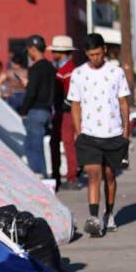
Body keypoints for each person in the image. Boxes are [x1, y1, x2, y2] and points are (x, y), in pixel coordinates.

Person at [68, 33, 131, 237]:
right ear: (86, 53)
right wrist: (79, 132)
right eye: (90, 55)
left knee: (110, 175)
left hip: (113, 133)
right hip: (89, 134)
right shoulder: (78, 74)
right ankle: (94, 218)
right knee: (94, 174)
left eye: (97, 53)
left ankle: (109, 213)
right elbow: (75, 106)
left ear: (104, 49)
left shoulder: (116, 72)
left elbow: (123, 103)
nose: (94, 58)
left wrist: (126, 132)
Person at [48, 35, 83, 191]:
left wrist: (64, 106)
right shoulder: (66, 69)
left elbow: (71, 94)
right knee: (61, 143)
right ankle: (65, 174)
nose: (53, 53)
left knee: (68, 144)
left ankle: (72, 177)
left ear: (60, 53)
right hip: (63, 112)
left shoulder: (68, 70)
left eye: (55, 51)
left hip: (67, 113)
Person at [19, 35, 55, 177]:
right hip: (46, 111)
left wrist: (23, 110)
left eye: (29, 50)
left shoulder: (35, 68)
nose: (28, 53)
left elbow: (32, 93)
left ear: (33, 49)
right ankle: (44, 174)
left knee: (33, 147)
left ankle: (38, 175)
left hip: (35, 110)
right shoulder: (50, 67)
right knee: (38, 145)